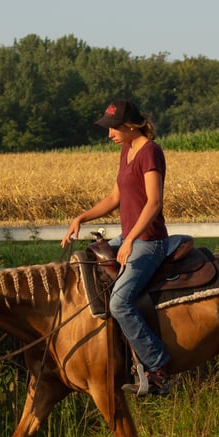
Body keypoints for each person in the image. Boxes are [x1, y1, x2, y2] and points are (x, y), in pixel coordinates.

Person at [61, 100, 170, 396]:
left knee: (119, 303)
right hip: (131, 236)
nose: (109, 134)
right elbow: (115, 197)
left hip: (150, 242)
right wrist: (81, 217)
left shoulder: (150, 152)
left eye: (113, 128)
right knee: (86, 263)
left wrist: (131, 239)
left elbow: (154, 202)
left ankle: (157, 367)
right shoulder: (127, 151)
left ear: (131, 126)